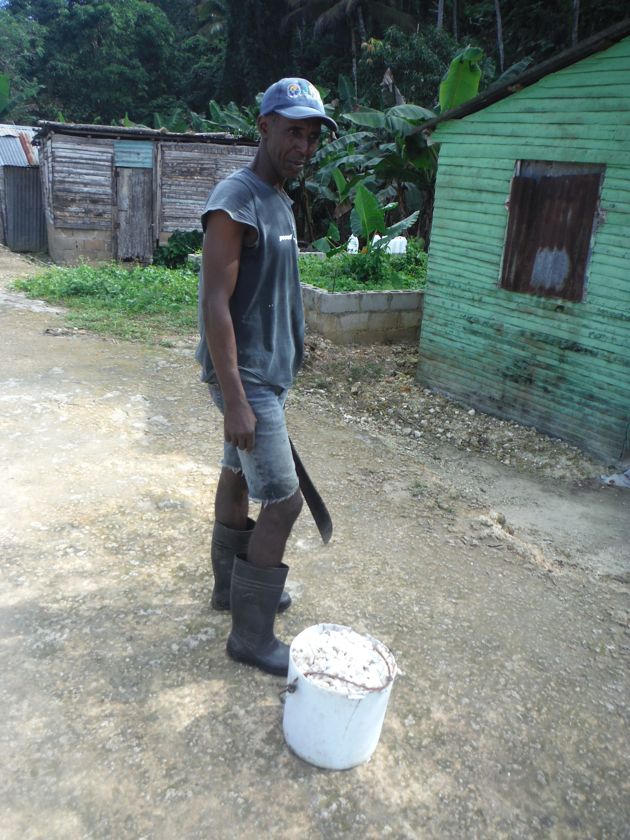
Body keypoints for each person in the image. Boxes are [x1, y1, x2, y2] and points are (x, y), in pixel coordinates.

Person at [195, 78, 337, 677]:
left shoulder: (278, 197)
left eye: (312, 136)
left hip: (264, 376)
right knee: (283, 500)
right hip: (246, 378)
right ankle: (251, 638)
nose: (303, 145)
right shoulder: (237, 198)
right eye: (293, 131)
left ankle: (230, 589)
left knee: (236, 473)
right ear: (264, 127)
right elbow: (214, 302)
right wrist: (235, 398)